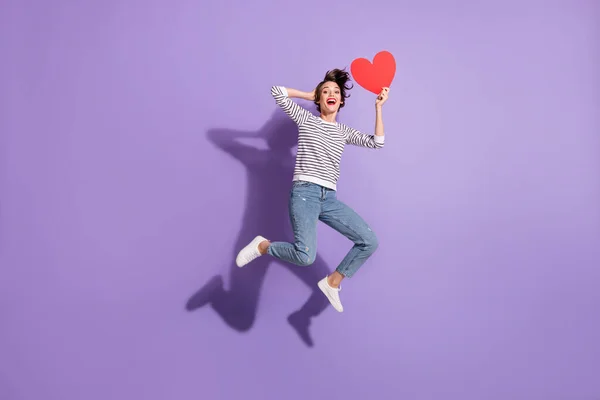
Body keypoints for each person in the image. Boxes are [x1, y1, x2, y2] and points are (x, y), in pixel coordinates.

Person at [235, 68, 390, 312]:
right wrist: (310, 95)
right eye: (325, 91)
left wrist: (378, 108)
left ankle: (332, 283)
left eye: (336, 92)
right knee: (305, 256)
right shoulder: (306, 120)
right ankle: (262, 246)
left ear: (341, 100)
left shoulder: (343, 132)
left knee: (369, 241)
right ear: (320, 98)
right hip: (305, 193)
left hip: (328, 198)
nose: (331, 94)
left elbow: (377, 142)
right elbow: (278, 92)